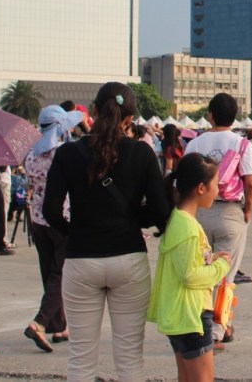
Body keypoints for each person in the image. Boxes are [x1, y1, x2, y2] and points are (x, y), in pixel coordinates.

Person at [43, 82, 170, 382]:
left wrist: (73, 231)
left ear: (95, 111)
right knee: (129, 360)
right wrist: (134, 219)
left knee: (81, 361)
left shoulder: (67, 154)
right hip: (128, 257)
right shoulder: (141, 153)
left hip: (81, 258)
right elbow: (161, 210)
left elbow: (50, 210)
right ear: (130, 118)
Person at [148, 153, 231, 382]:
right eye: (216, 184)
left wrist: (211, 258)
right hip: (191, 314)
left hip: (181, 314)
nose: (219, 189)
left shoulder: (179, 219)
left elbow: (186, 263)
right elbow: (190, 275)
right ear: (201, 188)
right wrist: (221, 266)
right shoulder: (186, 225)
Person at [184, 93, 252, 346]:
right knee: (225, 277)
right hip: (230, 212)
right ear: (235, 116)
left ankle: (207, 325)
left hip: (199, 212)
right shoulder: (242, 145)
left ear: (209, 115)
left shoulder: (195, 143)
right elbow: (250, 183)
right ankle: (215, 332)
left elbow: (183, 180)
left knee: (201, 273)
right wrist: (248, 210)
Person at [23, 105, 83, 352]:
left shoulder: (31, 154)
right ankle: (39, 322)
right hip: (61, 217)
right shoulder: (64, 152)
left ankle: (58, 327)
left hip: (37, 218)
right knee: (61, 274)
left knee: (49, 272)